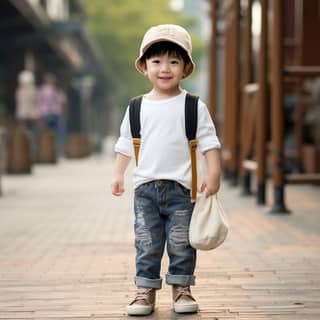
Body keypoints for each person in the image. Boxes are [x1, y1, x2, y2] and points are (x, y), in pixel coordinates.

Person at [111, 24, 221, 316]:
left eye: (174, 61)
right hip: (145, 189)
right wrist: (118, 174)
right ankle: (145, 291)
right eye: (157, 61)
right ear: (144, 67)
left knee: (181, 242)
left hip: (182, 189)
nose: (165, 68)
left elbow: (210, 142)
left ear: (185, 68)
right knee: (146, 242)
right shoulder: (136, 107)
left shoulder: (194, 106)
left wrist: (214, 173)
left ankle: (182, 289)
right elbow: (124, 144)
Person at [38, 73, 66, 156]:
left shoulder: (57, 90)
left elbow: (62, 102)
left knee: (57, 134)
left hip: (55, 114)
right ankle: (46, 152)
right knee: (45, 134)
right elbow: (39, 102)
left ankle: (56, 151)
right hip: (45, 114)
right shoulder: (42, 90)